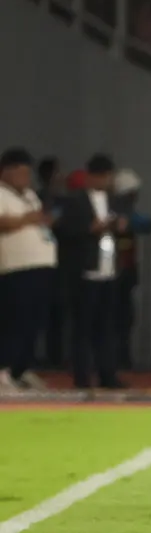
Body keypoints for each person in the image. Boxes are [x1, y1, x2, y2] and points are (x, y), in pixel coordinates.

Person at [58, 154, 125, 389]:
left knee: (107, 327)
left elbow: (121, 227)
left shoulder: (114, 201)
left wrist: (119, 227)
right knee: (82, 327)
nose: (106, 181)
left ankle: (108, 374)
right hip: (85, 270)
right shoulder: (74, 201)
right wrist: (90, 229)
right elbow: (65, 231)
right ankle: (82, 376)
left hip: (108, 268)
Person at [0, 148, 58, 391]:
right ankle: (3, 369)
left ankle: (21, 369)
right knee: (14, 320)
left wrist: (43, 221)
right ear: (7, 172)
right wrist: (28, 219)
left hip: (40, 266)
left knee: (34, 321)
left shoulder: (30, 195)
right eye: (21, 173)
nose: (26, 178)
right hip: (15, 268)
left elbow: (35, 219)